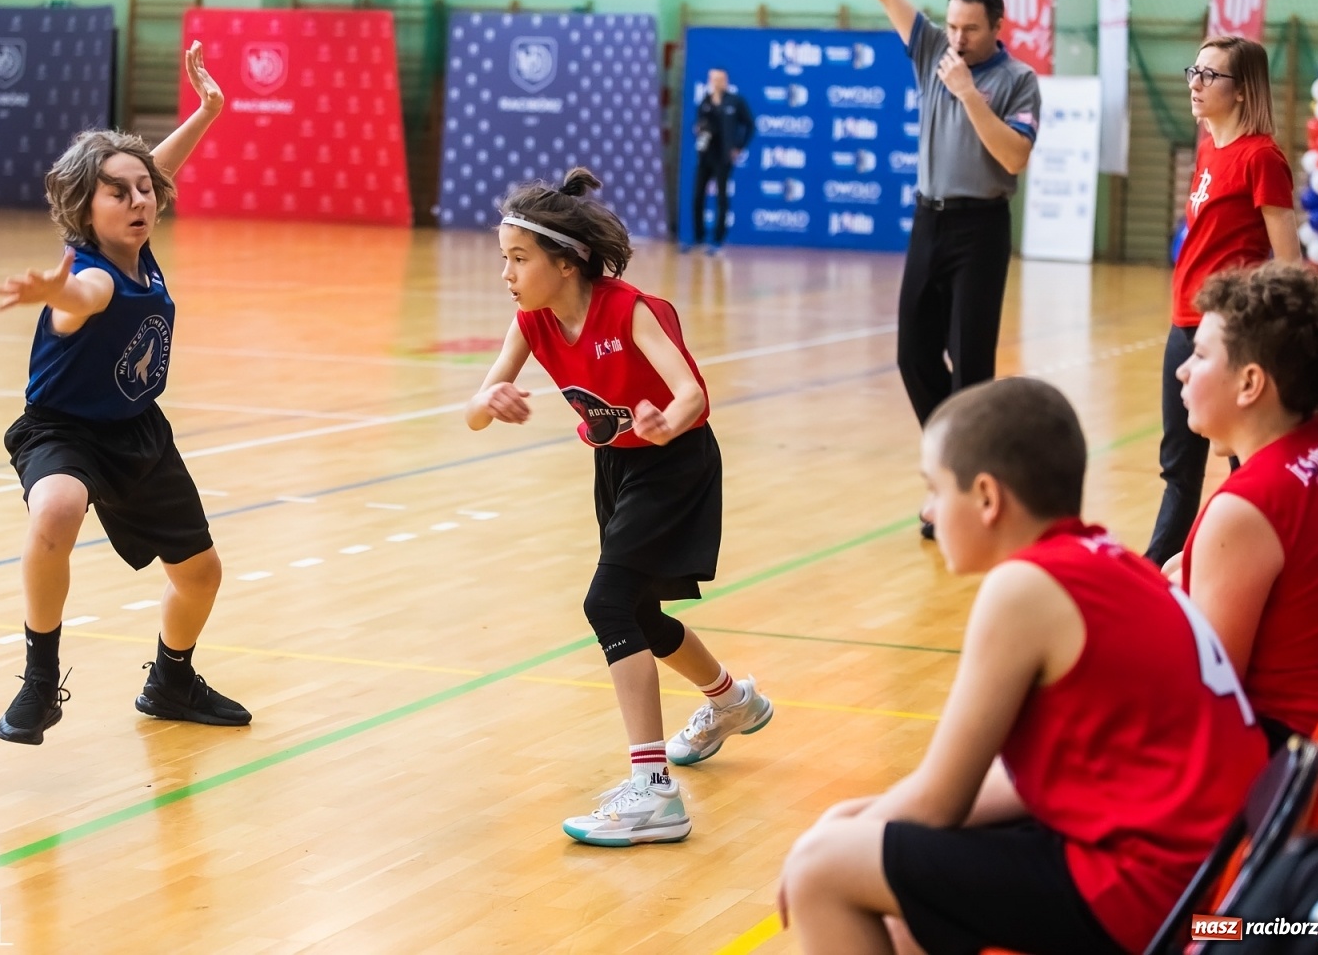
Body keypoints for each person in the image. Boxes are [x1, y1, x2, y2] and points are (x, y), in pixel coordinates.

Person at [776, 377, 1265, 955]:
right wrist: (852, 814)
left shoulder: (1024, 587)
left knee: (820, 869)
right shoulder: (1110, 560)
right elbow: (1017, 783)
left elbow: (939, 800)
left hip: (1169, 906)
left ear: (987, 497)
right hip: (1225, 887)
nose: (927, 510)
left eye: (934, 489)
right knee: (886, 876)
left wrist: (835, 838)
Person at [468, 167, 774, 845]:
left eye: (518, 259)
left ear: (567, 261)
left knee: (606, 604)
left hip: (675, 463)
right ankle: (731, 702)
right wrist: (489, 402)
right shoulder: (532, 322)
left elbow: (692, 391)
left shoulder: (629, 308)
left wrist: (667, 417)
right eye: (504, 259)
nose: (507, 274)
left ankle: (655, 790)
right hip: (618, 467)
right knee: (637, 612)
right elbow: (474, 410)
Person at [0, 42, 249, 744]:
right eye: (119, 191)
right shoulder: (95, 273)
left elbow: (156, 170)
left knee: (200, 577)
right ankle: (40, 682)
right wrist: (52, 290)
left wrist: (209, 111)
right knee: (58, 506)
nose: (140, 199)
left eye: (144, 191)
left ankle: (171, 680)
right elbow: (83, 295)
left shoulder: (139, 241)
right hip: (64, 431)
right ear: (85, 206)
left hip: (138, 430)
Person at [866, 0, 1042, 540]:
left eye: (970, 28)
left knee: (971, 365)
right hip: (929, 219)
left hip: (981, 227)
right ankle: (958, 471)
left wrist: (969, 96)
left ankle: (965, 495)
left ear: (996, 28)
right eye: (953, 25)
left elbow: (1014, 157)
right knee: (914, 354)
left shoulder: (1016, 80)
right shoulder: (930, 53)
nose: (958, 37)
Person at [1168, 263, 1318, 754]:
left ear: (1250, 384)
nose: (1181, 370)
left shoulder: (1244, 510)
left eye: (1201, 355)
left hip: (1285, 765)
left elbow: (1207, 696)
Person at [1145, 36, 1298, 567]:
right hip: (1183, 321)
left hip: (1232, 331)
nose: (1195, 82)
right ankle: (1159, 576)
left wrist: (1278, 332)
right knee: (1178, 467)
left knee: (1245, 464)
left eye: (1210, 76)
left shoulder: (1262, 157)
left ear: (1240, 92)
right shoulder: (1209, 144)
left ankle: (1258, 565)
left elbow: (1287, 260)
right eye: (1195, 71)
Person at [688, 68, 754, 254]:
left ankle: (717, 240)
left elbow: (750, 125)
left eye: (720, 79)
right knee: (697, 197)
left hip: (723, 158)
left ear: (725, 81)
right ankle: (698, 238)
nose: (716, 82)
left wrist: (738, 146)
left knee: (721, 198)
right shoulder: (705, 101)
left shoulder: (735, 101)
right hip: (705, 155)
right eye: (713, 79)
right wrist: (699, 130)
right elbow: (700, 124)